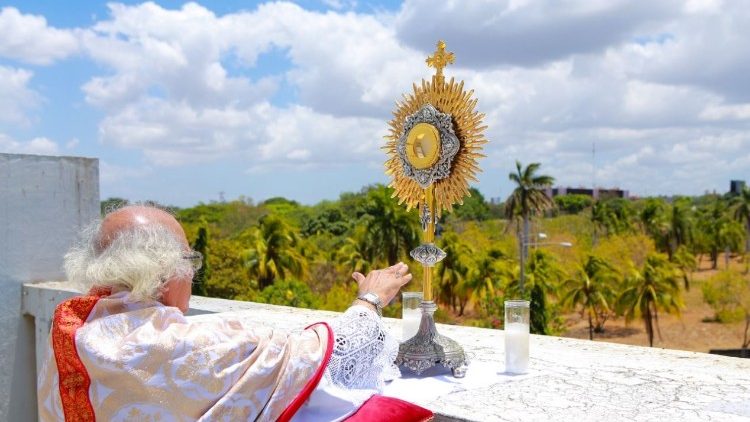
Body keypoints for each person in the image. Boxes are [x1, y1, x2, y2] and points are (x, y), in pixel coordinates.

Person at [38, 205, 433, 421]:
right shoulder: (199, 345)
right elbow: (324, 355)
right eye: (189, 260)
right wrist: (370, 300)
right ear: (163, 273)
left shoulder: (75, 330)